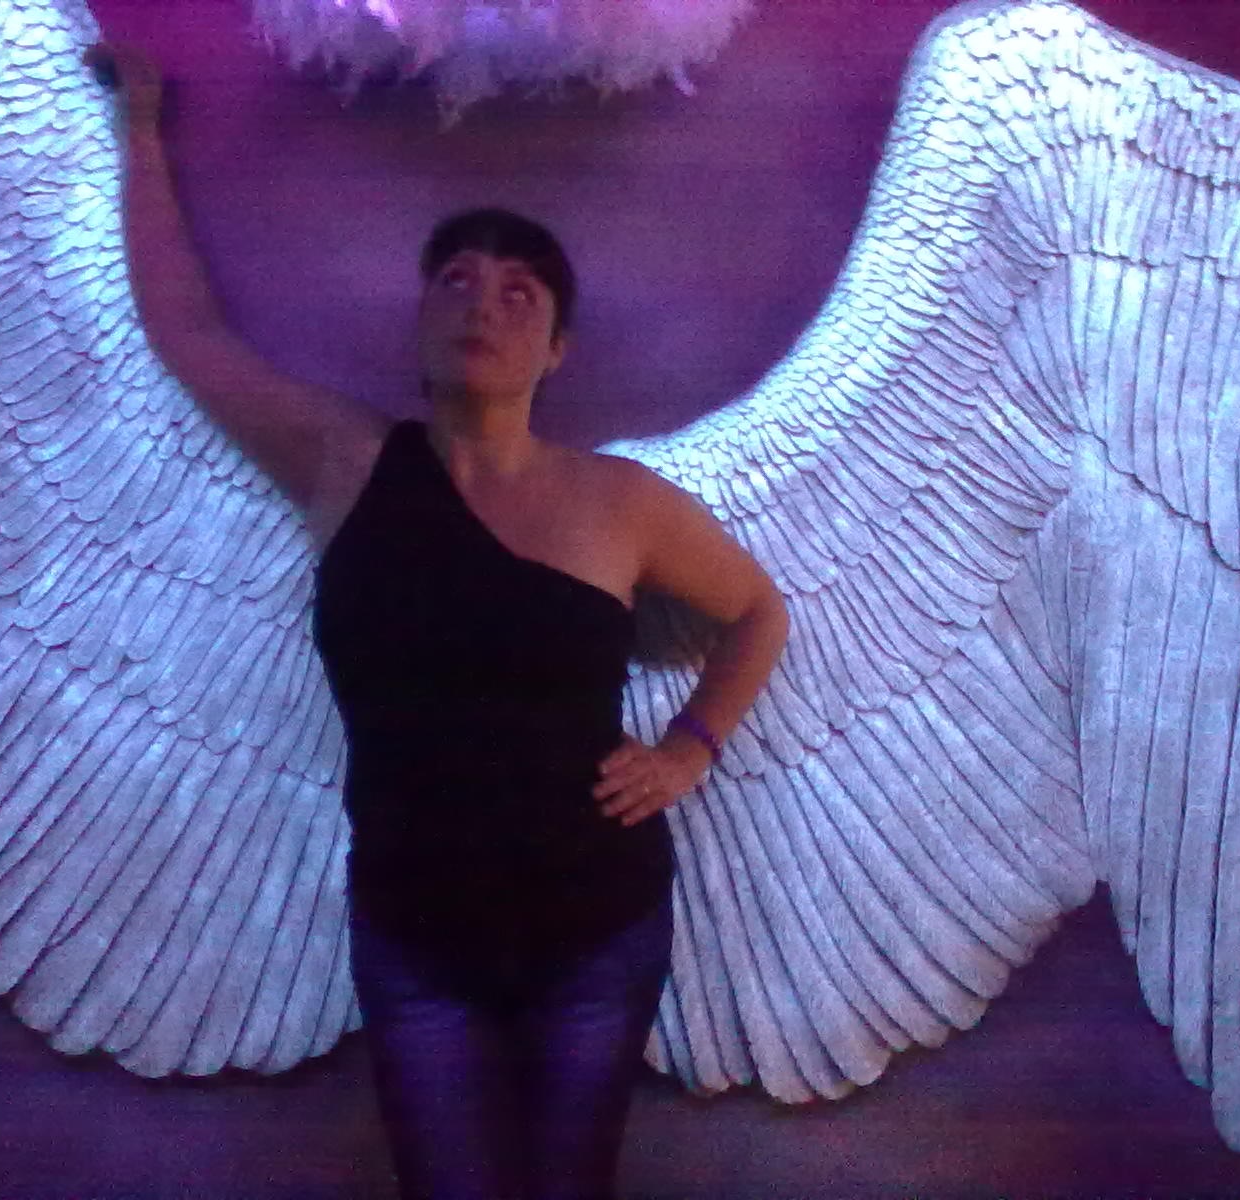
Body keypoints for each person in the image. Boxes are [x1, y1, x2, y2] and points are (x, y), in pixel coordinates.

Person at [87, 42, 789, 1199]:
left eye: (520, 294)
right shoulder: (343, 463)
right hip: (413, 930)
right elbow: (187, 334)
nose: (483, 304)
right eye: (456, 279)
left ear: (556, 348)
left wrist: (689, 747)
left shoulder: (620, 503)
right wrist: (139, 130)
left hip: (597, 923)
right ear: (420, 318)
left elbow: (758, 610)